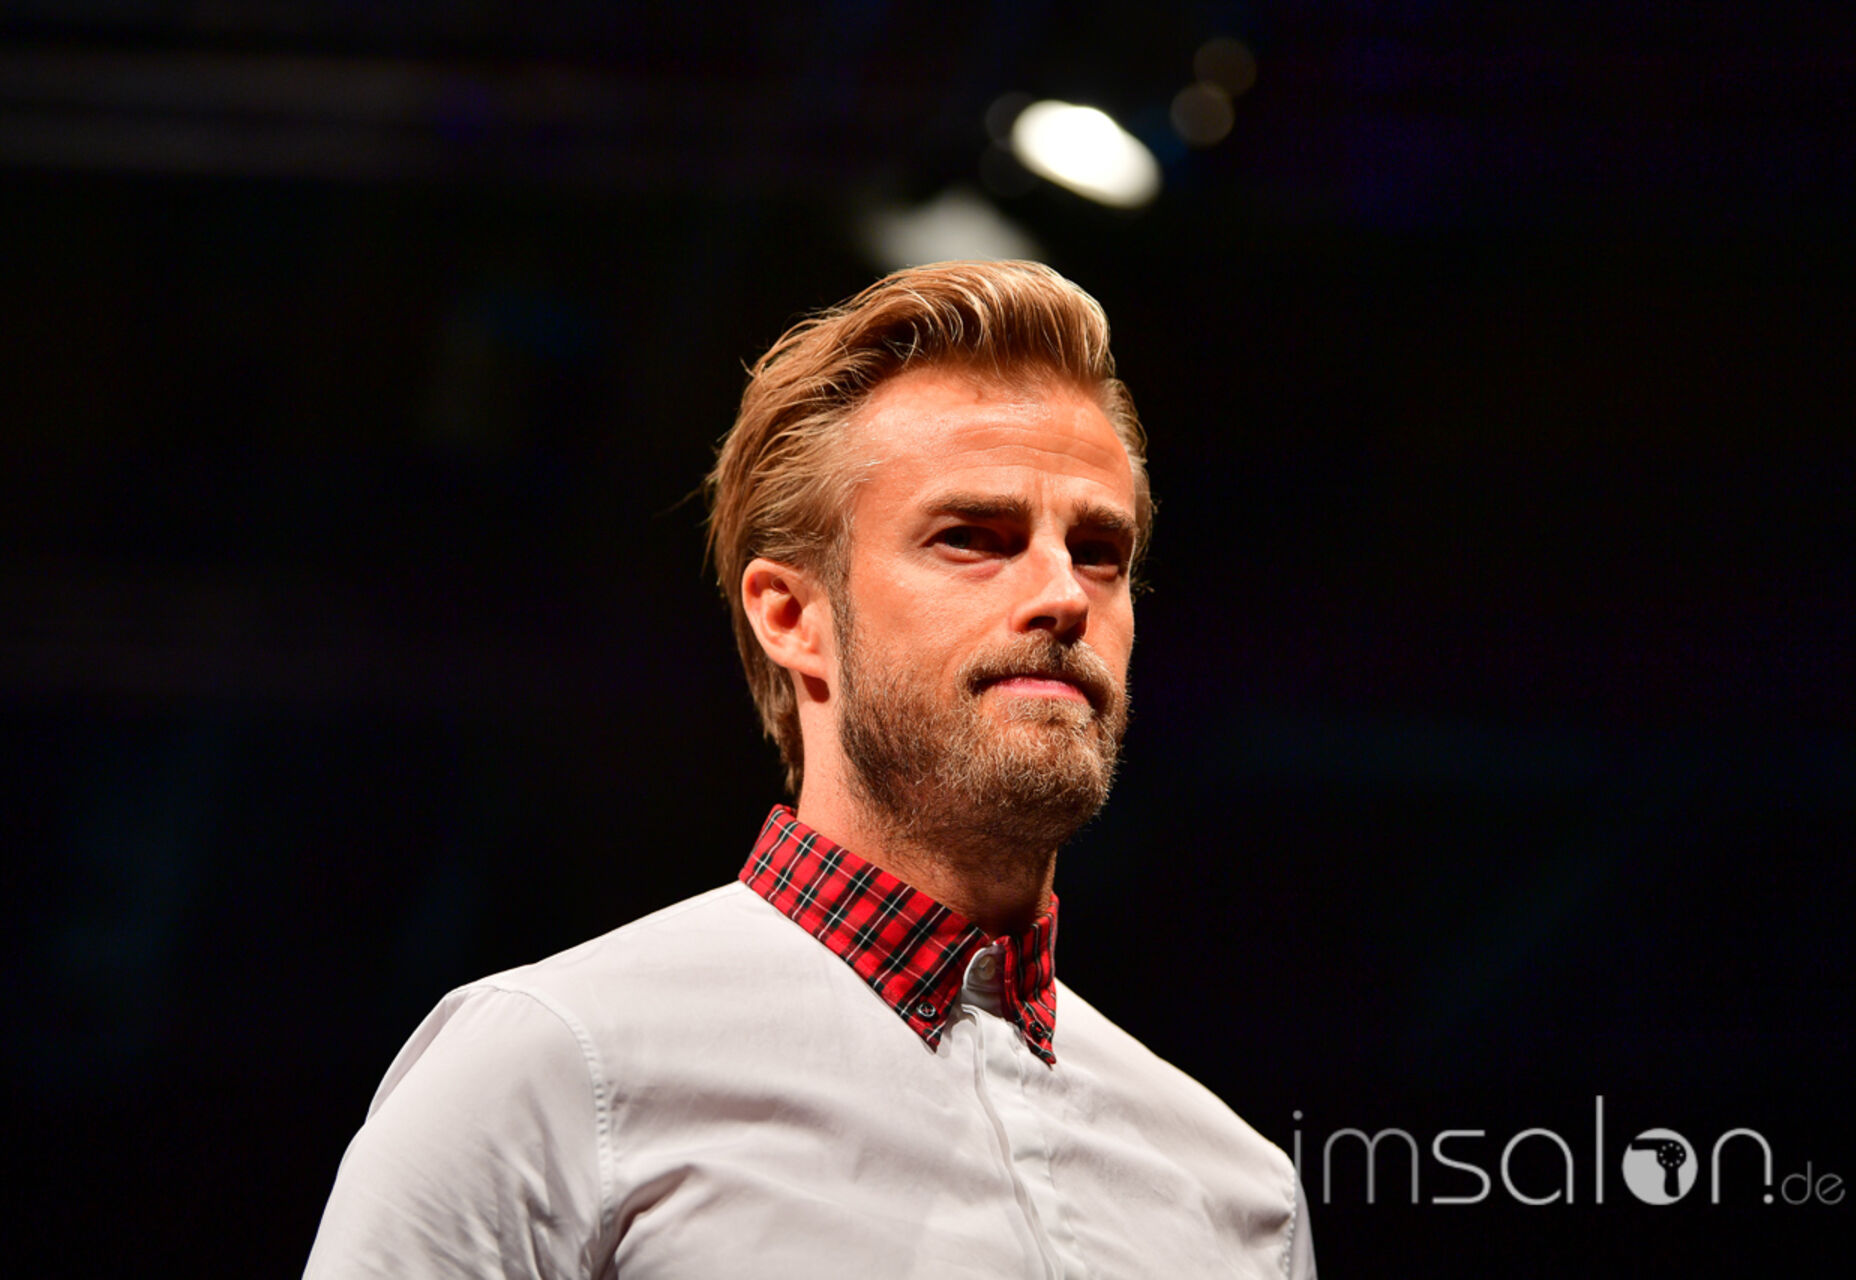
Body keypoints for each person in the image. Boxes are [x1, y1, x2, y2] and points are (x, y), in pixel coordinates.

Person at [305, 260, 1314, 1277]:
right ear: (793, 616)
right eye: (973, 537)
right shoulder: (554, 1074)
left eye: (1100, 551)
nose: (1063, 593)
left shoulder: (1238, 1198)